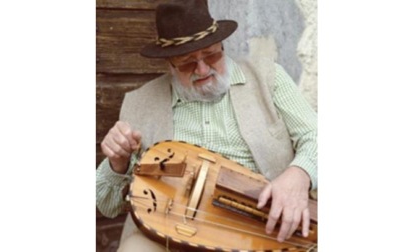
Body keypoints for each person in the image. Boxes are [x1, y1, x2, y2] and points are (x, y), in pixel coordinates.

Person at [96, 0, 317, 251]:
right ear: (169, 64)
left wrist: (299, 175)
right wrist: (117, 163)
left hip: (263, 227)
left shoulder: (268, 78)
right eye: (188, 62)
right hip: (175, 235)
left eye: (211, 55)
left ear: (222, 46)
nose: (202, 69)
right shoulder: (140, 104)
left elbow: (316, 135)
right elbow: (107, 205)